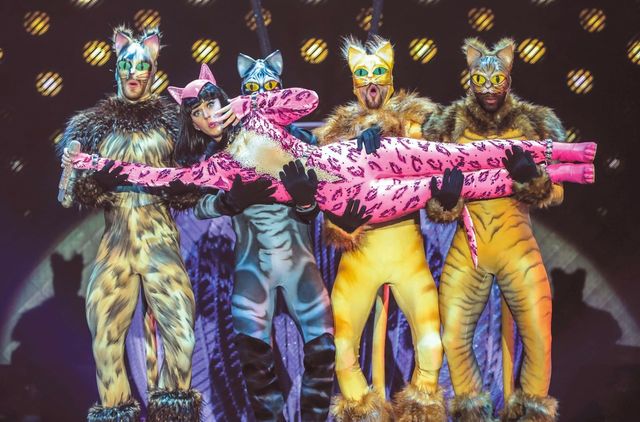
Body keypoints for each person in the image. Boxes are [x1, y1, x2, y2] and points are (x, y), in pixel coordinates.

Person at [423, 38, 595, 422]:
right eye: (479, 79)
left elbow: (558, 192)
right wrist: (446, 198)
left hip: (516, 242)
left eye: (496, 78)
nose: (488, 87)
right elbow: (435, 200)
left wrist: (531, 178)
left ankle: (530, 411)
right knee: (453, 334)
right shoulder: (448, 125)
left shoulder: (531, 123)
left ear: (508, 77)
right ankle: (472, 409)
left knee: (538, 335)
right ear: (469, 78)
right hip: (470, 245)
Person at [58, 26, 201, 421]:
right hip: (117, 241)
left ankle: (173, 413)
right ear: (116, 67)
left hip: (158, 238)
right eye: (127, 64)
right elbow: (66, 194)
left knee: (182, 336)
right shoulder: (92, 125)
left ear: (153, 69)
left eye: (142, 65)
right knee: (105, 339)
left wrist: (181, 182)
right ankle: (115, 411)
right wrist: (76, 171)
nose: (134, 72)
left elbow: (195, 180)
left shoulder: (174, 123)